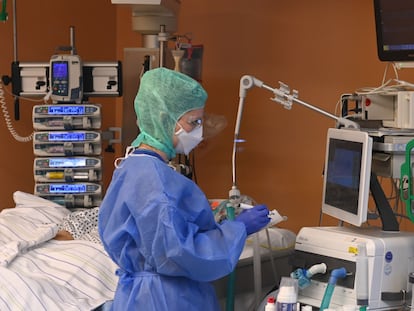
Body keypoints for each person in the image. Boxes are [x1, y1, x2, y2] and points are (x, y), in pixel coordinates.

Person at [98, 67, 270, 311]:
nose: (199, 131)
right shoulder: (156, 181)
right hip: (167, 300)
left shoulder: (132, 167)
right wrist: (237, 229)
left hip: (138, 298)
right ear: (162, 118)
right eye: (193, 122)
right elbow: (181, 252)